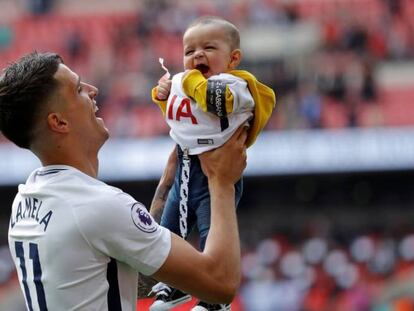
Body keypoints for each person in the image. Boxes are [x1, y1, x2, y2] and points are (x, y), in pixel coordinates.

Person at [0, 51, 248, 310]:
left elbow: (124, 273)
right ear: (59, 122)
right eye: (78, 90)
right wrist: (222, 183)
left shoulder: (26, 200)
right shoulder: (94, 205)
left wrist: (169, 180)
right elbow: (221, 283)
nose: (92, 90)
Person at [149, 16, 276, 311]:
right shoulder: (188, 81)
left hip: (217, 169)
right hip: (185, 164)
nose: (197, 55)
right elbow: (181, 115)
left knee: (212, 235)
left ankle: (214, 301)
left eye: (208, 47)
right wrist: (162, 95)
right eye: (189, 50)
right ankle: (175, 284)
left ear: (233, 59)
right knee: (170, 231)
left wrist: (189, 80)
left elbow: (216, 103)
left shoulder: (237, 84)